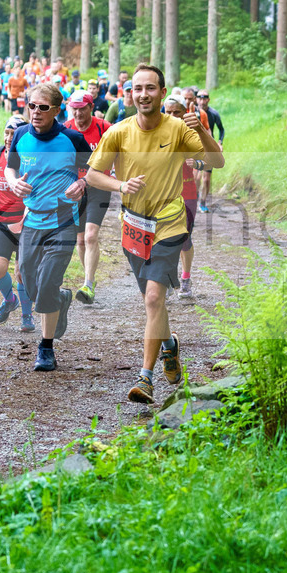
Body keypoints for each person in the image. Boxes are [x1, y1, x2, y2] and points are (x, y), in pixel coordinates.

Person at [86, 64, 223, 403]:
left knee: (152, 299)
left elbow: (215, 162)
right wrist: (120, 185)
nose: (143, 94)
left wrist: (202, 131)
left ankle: (145, 379)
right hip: (134, 227)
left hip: (169, 223)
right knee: (154, 302)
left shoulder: (178, 128)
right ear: (130, 94)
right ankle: (170, 345)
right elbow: (93, 175)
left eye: (150, 88)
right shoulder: (118, 132)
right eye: (138, 88)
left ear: (162, 93)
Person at [4, 83, 90, 372]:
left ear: (56, 110)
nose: (36, 112)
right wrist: (13, 181)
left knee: (48, 279)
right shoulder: (20, 135)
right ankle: (60, 299)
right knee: (28, 279)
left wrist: (82, 182)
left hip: (63, 219)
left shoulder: (72, 139)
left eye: (43, 107)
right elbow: (10, 166)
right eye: (32, 105)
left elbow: (96, 168)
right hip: (32, 218)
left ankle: (46, 347)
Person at [0, 113, 35, 332]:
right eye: (7, 133)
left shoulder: (31, 158)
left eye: (14, 134)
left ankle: (27, 315)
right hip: (1, 222)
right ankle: (10, 300)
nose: (9, 138)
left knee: (22, 272)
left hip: (28, 223)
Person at [64, 91, 113, 304]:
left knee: (91, 235)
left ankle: (88, 284)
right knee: (80, 239)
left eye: (82, 109)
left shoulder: (104, 128)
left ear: (91, 107)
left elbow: (119, 151)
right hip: (75, 190)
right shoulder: (65, 129)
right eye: (74, 109)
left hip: (98, 187)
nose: (78, 113)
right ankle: (88, 280)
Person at [163, 95, 208, 300]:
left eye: (177, 112)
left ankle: (186, 278)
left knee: (184, 238)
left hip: (187, 192)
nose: (172, 116)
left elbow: (210, 161)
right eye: (168, 112)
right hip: (163, 193)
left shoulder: (192, 133)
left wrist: (196, 164)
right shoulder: (157, 132)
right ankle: (166, 278)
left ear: (184, 112)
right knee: (163, 238)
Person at [195, 90, 225, 213]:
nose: (202, 101)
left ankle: (202, 203)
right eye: (200, 98)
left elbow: (221, 129)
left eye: (204, 98)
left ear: (208, 100)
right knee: (196, 177)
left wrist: (219, 143)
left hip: (209, 149)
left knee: (206, 179)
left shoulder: (213, 114)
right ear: (196, 99)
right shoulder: (192, 112)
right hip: (195, 148)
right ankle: (195, 197)